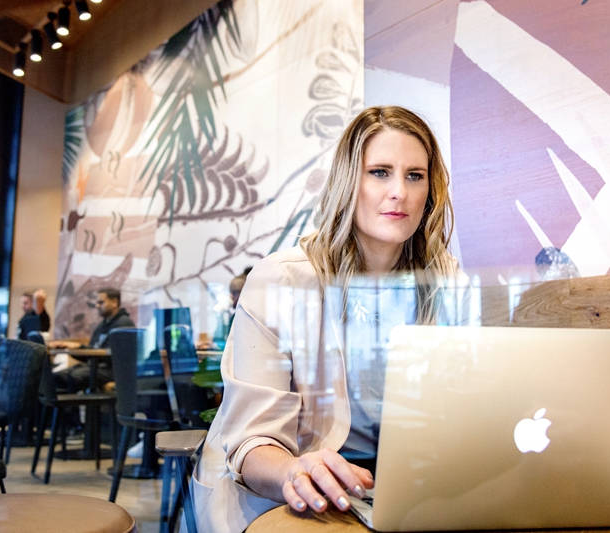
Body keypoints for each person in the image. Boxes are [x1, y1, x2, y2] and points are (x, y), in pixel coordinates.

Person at [192, 106, 473, 533]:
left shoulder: (447, 281)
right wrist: (294, 471)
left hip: (409, 485)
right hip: (285, 490)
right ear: (348, 181)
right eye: (380, 172)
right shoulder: (283, 279)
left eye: (415, 176)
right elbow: (252, 441)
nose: (399, 191)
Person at [48, 287, 135, 393]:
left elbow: (114, 356)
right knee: (55, 377)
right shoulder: (102, 325)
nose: (97, 306)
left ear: (114, 302)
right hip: (94, 367)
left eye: (101, 302)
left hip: (112, 371)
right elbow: (91, 352)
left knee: (74, 377)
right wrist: (73, 348)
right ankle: (61, 409)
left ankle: (73, 408)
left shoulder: (124, 324)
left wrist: (79, 347)